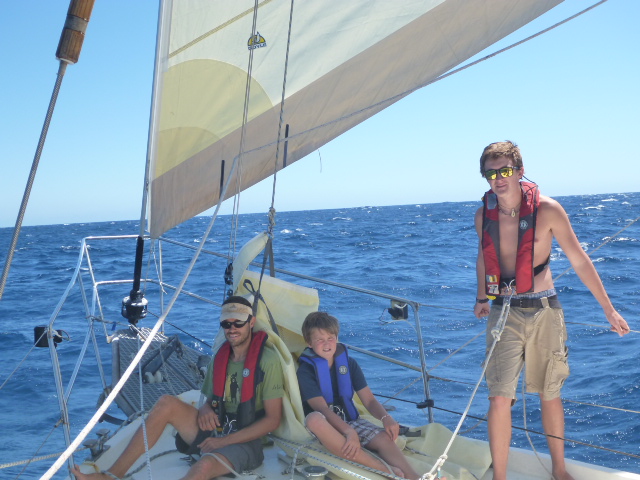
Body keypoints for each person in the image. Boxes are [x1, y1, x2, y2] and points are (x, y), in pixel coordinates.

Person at [473, 140, 630, 480]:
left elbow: (579, 260)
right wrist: (482, 298)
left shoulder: (548, 211)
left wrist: (609, 310)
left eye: (505, 171)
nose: (498, 179)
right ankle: (499, 477)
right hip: (503, 312)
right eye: (491, 173)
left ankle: (558, 468)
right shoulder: (483, 216)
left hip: (544, 309)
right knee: (499, 398)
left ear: (520, 171)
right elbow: (483, 258)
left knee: (549, 393)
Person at [73, 296, 284, 480]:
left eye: (238, 323)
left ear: (251, 322)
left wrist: (224, 442)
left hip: (245, 442)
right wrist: (205, 409)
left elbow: (272, 420)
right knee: (166, 403)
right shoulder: (221, 356)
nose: (232, 329)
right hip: (216, 430)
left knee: (204, 467)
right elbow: (207, 401)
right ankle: (111, 475)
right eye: (226, 324)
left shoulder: (268, 361)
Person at [296, 311, 420, 480]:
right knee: (314, 419)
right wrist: (349, 433)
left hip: (351, 421)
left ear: (337, 338)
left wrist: (386, 417)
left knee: (384, 438)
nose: (327, 344)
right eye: (320, 340)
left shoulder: (349, 364)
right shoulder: (306, 371)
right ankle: (387, 471)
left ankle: (415, 477)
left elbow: (368, 400)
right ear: (309, 343)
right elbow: (322, 409)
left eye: (331, 338)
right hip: (326, 424)